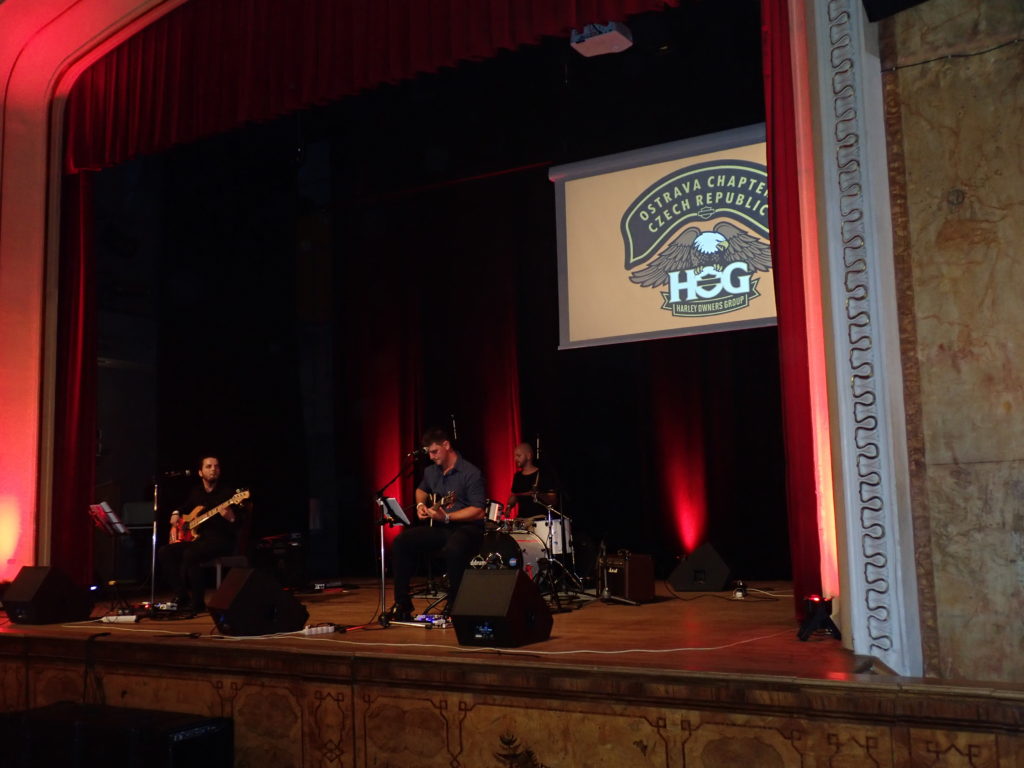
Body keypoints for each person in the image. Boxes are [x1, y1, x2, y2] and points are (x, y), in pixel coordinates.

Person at [390, 428, 485, 620]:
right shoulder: (431, 471)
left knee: (454, 548)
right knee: (401, 542)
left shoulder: (470, 472)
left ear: (446, 445)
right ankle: (402, 604)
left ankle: (456, 603)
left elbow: (478, 510)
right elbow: (421, 490)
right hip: (444, 528)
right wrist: (420, 505)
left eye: (435, 452)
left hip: (469, 528)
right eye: (429, 453)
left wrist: (448, 517)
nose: (431, 457)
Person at [157, 455, 244, 615]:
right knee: (165, 552)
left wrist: (231, 518)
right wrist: (176, 513)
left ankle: (198, 603)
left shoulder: (228, 493)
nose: (213, 469)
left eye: (216, 466)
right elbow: (185, 508)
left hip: (222, 540)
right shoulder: (196, 492)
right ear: (200, 472)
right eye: (209, 466)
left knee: (191, 553)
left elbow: (239, 523)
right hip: (200, 540)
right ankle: (182, 596)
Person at [505, 442, 558, 520]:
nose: (515, 459)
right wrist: (509, 506)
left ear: (528, 456)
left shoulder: (543, 474)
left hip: (539, 520)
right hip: (522, 520)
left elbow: (553, 500)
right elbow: (514, 496)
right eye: (515, 456)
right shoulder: (517, 476)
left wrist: (538, 494)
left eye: (518, 456)